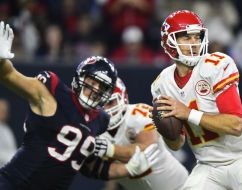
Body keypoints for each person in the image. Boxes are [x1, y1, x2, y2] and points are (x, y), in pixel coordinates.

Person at [0, 21, 159, 190]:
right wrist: (2, 62)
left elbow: (91, 168)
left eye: (103, 87)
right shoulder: (52, 92)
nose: (95, 90)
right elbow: (10, 76)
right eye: (92, 81)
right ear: (79, 78)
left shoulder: (100, 121)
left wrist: (128, 169)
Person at [151, 10, 242, 190]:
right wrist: (166, 129)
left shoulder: (216, 65)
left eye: (197, 37)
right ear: (170, 43)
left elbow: (235, 125)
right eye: (186, 38)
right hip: (207, 166)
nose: (195, 43)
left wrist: (188, 113)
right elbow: (176, 144)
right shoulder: (162, 84)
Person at [94, 77, 188, 190]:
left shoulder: (138, 114)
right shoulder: (91, 129)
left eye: (110, 102)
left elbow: (145, 150)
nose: (106, 110)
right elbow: (99, 171)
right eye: (100, 103)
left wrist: (106, 149)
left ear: (123, 98)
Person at [0, 98, 17, 168]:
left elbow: (13, 149)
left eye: (5, 111)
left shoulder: (6, 129)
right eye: (2, 110)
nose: (5, 113)